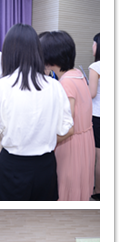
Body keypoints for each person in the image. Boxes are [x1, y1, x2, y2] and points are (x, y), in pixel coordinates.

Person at [0, 23, 74, 201]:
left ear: (8, 52)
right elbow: (67, 130)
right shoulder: (54, 86)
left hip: (12, 168)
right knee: (41, 216)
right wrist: (41, 139)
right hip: (45, 167)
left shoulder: (0, 86)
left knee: (10, 217)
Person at [39, 31, 95, 201]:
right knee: (78, 185)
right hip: (84, 140)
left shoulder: (65, 83)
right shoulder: (77, 74)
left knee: (66, 188)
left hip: (70, 144)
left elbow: (66, 126)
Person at [89, 33, 100, 201]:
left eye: (94, 44)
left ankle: (98, 190)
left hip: (98, 115)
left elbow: (91, 93)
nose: (92, 47)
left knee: (99, 155)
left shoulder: (96, 66)